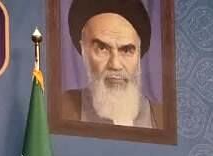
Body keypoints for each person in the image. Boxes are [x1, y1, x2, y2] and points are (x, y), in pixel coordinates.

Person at [61, 0, 162, 128]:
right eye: (102, 48)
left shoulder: (163, 118)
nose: (115, 65)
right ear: (83, 50)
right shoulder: (60, 109)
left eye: (126, 50)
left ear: (138, 53)